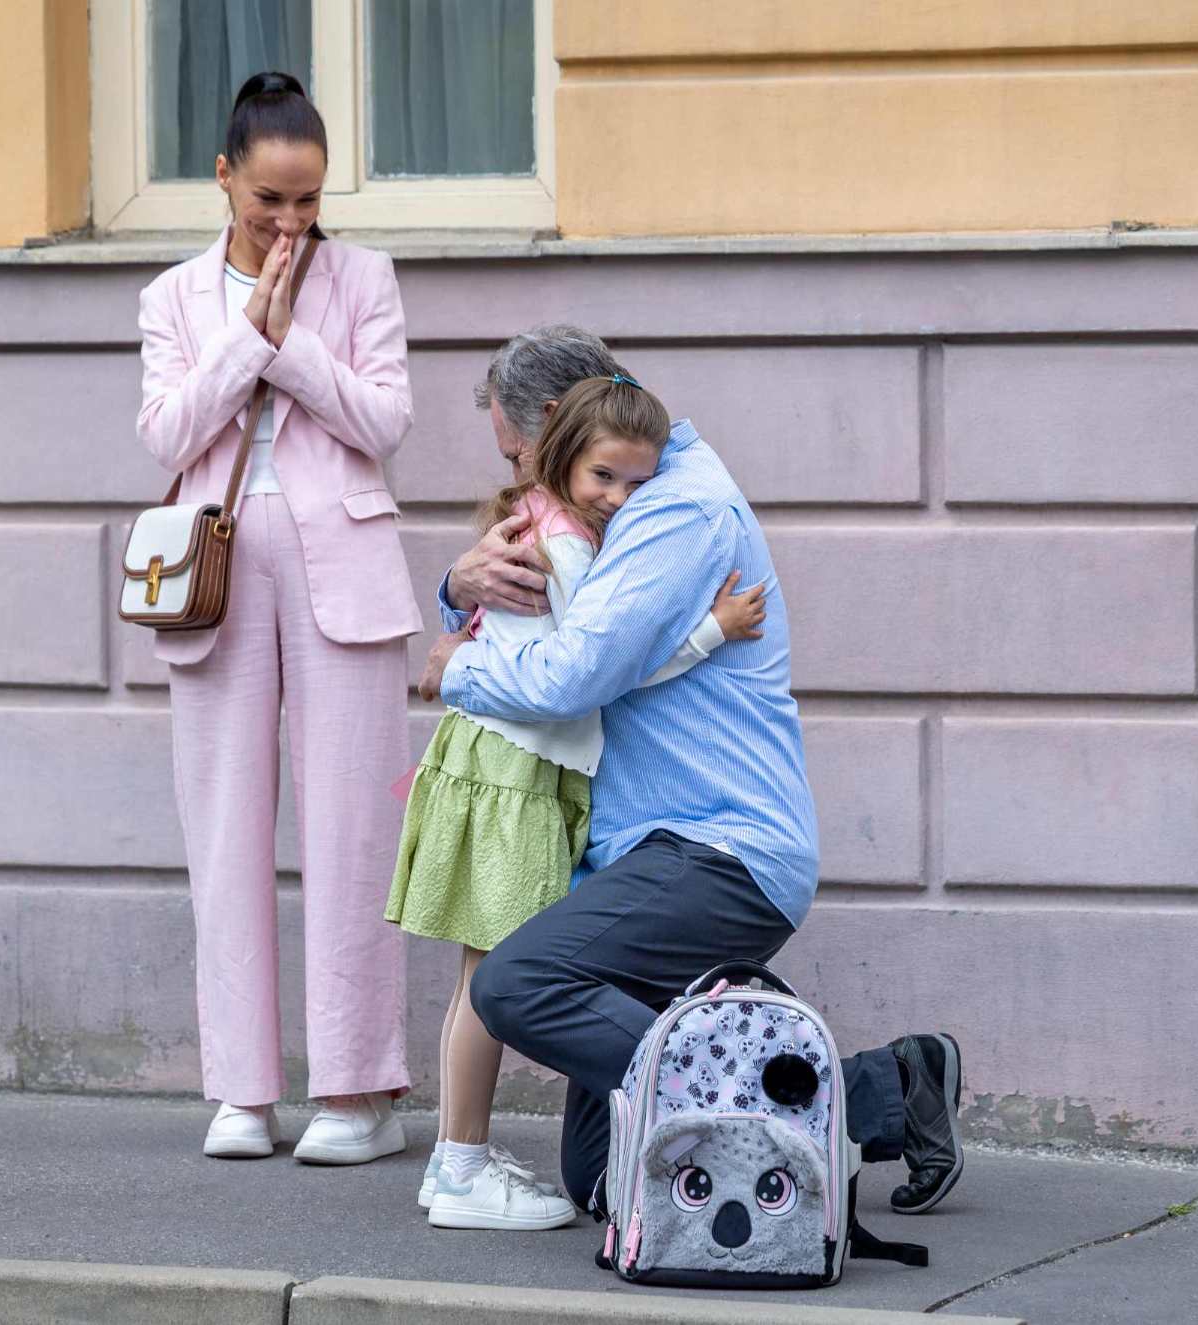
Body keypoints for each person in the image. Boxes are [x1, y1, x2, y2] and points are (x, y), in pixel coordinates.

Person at [422, 326, 966, 1218]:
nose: (522, 478)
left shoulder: (671, 512)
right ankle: (886, 1084)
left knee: (515, 983)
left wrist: (455, 667)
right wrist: (457, 587)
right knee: (601, 1178)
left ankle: (843, 1099)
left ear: (556, 420)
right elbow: (550, 629)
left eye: (518, 455)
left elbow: (572, 677)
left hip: (717, 852)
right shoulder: (618, 503)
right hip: (650, 855)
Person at [387, 374, 766, 1231]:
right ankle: (461, 1166)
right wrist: (710, 632)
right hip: (516, 770)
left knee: (482, 968)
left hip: (511, 762)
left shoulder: (543, 521)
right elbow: (592, 674)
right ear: (560, 449)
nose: (620, 497)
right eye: (604, 476)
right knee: (492, 972)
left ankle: (455, 1160)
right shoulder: (564, 547)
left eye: (635, 481)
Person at [135, 71, 417, 1165]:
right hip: (213, 565)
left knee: (354, 832)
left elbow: (382, 421)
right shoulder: (171, 296)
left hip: (342, 556)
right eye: (268, 200)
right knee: (224, 830)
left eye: (308, 199)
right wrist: (247, 335)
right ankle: (241, 1091)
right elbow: (168, 435)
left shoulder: (365, 278)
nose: (290, 222)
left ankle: (358, 1089)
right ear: (224, 178)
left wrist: (290, 341)